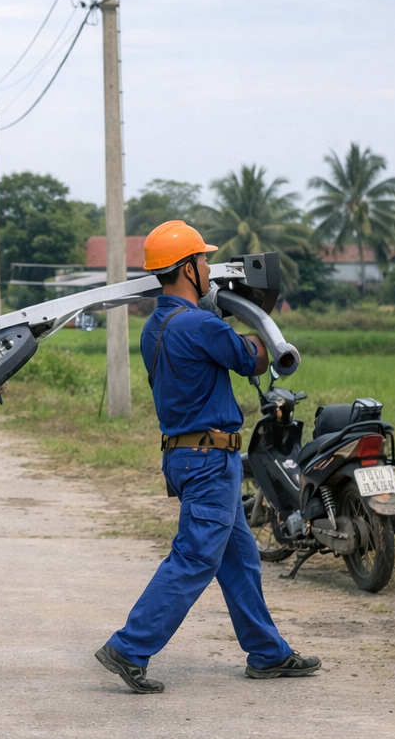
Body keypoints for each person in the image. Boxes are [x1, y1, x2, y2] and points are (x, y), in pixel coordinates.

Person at [94, 220, 321, 693]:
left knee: (240, 562)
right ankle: (130, 647)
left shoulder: (157, 325)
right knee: (195, 557)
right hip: (208, 460)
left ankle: (268, 653)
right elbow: (253, 358)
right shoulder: (198, 323)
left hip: (188, 456)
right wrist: (260, 317)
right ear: (186, 269)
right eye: (202, 260)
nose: (209, 267)